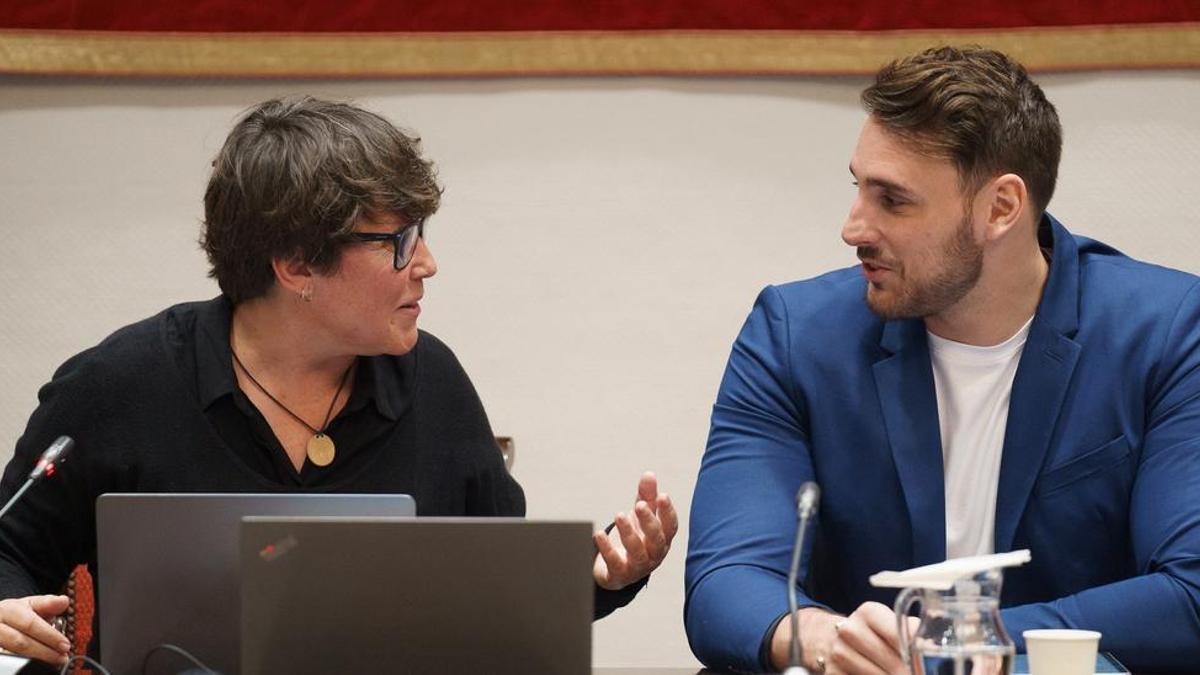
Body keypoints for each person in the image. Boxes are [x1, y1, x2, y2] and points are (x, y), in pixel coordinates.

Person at [0, 96, 678, 667]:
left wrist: (602, 576)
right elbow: (8, 549)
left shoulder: (433, 383)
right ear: (297, 263)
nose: (429, 263)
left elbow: (497, 588)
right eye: (400, 240)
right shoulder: (122, 383)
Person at [685, 46, 1200, 674]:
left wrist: (953, 644)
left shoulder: (1167, 332)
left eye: (892, 200)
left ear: (1000, 208)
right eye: (858, 189)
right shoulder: (794, 336)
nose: (854, 228)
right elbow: (727, 580)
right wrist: (823, 638)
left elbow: (1190, 594)